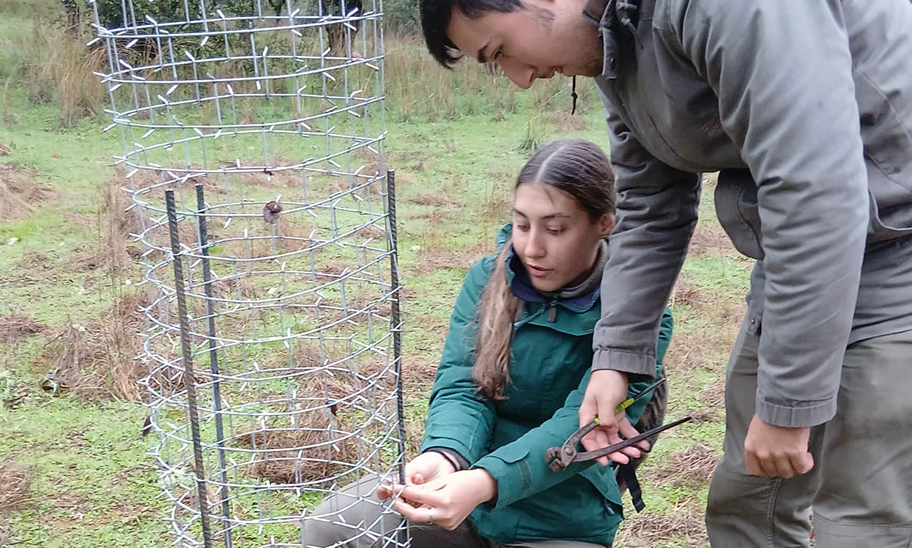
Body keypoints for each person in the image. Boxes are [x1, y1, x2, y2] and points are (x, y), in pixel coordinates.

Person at [419, 0, 912, 547]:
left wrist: (791, 400)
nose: (520, 79)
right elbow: (650, 201)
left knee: (863, 514)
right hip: (796, 258)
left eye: (501, 51)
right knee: (750, 502)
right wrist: (617, 357)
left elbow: (815, 191)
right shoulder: (614, 44)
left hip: (895, 245)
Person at [302, 139, 673, 547]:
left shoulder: (640, 319)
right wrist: (443, 456)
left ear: (604, 224)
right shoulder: (486, 280)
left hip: (561, 518)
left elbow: (578, 429)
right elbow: (463, 386)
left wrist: (483, 483)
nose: (532, 248)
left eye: (555, 229)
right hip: (464, 492)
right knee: (331, 528)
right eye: (521, 224)